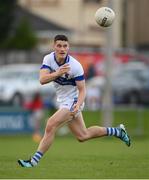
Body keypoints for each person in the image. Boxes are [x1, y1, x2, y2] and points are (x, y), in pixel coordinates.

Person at [18, 35, 131, 168]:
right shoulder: (48, 59)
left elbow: (83, 90)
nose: (62, 49)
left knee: (50, 124)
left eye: (65, 46)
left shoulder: (75, 66)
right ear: (54, 47)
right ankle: (118, 132)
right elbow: (42, 80)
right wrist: (57, 73)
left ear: (68, 47)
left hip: (74, 100)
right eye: (59, 46)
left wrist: (78, 104)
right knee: (83, 136)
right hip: (63, 101)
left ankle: (33, 161)